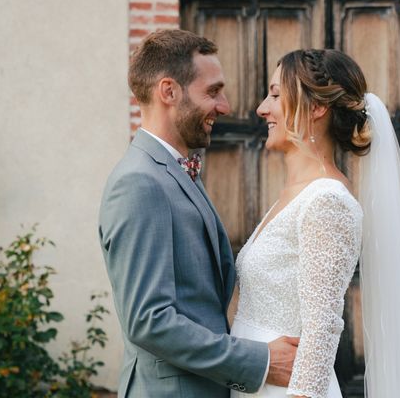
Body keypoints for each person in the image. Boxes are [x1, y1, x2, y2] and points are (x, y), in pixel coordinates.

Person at [98, 29, 299, 398]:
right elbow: (149, 321)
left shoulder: (177, 171)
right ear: (169, 91)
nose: (224, 105)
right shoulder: (139, 183)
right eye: (212, 91)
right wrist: (262, 361)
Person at [230, 49, 400, 397]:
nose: (262, 108)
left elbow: (321, 329)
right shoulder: (295, 195)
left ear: (316, 108)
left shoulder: (328, 201)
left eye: (277, 94)